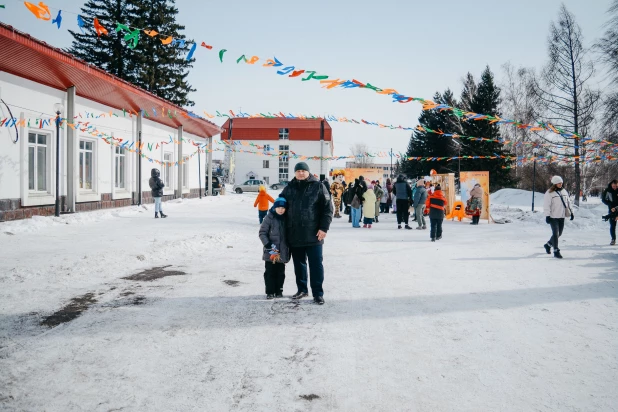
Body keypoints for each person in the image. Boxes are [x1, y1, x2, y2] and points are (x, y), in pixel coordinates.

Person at [280, 162, 333, 305]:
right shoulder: (289, 188)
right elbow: (280, 202)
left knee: (316, 264)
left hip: (314, 234)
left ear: (308, 172)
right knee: (299, 264)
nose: (301, 173)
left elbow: (328, 209)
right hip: (295, 233)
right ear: (295, 173)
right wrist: (278, 207)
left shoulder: (318, 186)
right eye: (298, 171)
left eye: (304, 171)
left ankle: (318, 293)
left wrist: (324, 228)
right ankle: (302, 289)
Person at [258, 197, 290, 299]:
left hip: (282, 252)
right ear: (274, 207)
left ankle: (279, 290)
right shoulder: (269, 218)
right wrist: (267, 245)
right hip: (271, 251)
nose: (281, 210)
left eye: (283, 208)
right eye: (279, 207)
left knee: (281, 273)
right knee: (270, 272)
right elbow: (262, 233)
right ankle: (270, 291)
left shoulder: (287, 219)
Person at [543, 176, 574, 259]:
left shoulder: (564, 191)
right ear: (555, 183)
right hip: (553, 216)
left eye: (561, 183)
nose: (561, 184)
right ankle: (556, 251)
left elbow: (568, 202)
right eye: (559, 183)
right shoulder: (549, 193)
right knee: (555, 234)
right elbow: (546, 205)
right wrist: (547, 215)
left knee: (559, 234)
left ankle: (548, 245)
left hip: (562, 216)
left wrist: (571, 212)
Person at [601, 179, 618, 245]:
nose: (615, 187)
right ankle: (613, 239)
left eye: (616, 186)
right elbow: (603, 199)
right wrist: (610, 204)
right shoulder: (608, 191)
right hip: (612, 209)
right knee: (612, 225)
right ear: (611, 185)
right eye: (614, 186)